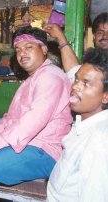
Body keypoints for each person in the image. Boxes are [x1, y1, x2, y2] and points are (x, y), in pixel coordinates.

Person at [0, 26, 73, 194]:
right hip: (26, 142)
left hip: (43, 150)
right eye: (18, 50)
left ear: (43, 49)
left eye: (29, 47)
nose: (22, 53)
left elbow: (33, 121)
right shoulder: (31, 79)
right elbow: (10, 119)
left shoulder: (51, 77)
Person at [47, 48, 108, 201]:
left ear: (105, 97)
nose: (75, 87)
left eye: (86, 83)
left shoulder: (99, 142)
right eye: (76, 79)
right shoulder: (84, 121)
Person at [44, 12, 108, 78]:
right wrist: (61, 38)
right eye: (100, 32)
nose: (105, 36)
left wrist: (61, 38)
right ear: (94, 37)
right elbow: (75, 74)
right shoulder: (91, 59)